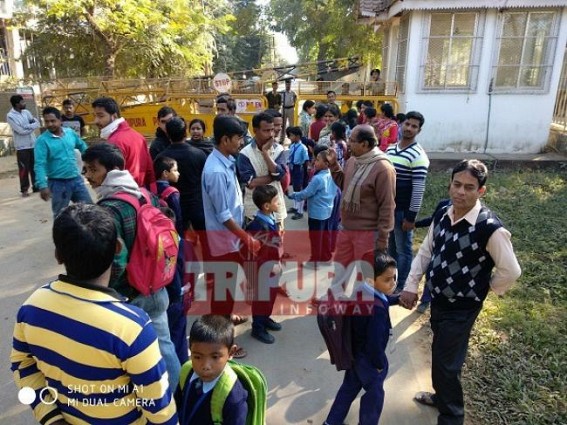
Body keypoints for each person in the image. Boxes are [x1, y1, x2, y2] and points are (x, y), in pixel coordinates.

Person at [11, 203, 178, 424]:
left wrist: (50, 417)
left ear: (58, 255)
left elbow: (22, 366)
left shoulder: (32, 308)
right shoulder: (133, 328)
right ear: (118, 248)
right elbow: (160, 410)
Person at [400, 159, 522, 425]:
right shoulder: (444, 210)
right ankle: (441, 397)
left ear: (481, 191)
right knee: (441, 353)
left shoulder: (490, 228)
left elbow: (511, 271)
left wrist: (486, 289)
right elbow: (426, 250)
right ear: (449, 184)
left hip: (463, 307)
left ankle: (451, 416)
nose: (461, 192)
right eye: (457, 184)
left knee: (447, 363)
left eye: (469, 187)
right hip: (440, 300)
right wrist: (411, 285)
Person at [82, 143, 181, 390]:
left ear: (111, 170)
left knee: (132, 355)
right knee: (164, 346)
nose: (88, 177)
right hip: (157, 287)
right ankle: (178, 395)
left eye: (93, 170)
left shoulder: (107, 209)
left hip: (130, 294)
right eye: (86, 170)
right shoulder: (144, 194)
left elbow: (114, 262)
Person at [202, 115, 261, 358]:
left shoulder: (225, 161)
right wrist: (247, 238)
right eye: (238, 138)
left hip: (231, 239)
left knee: (227, 293)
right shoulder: (216, 171)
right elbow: (224, 215)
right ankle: (219, 348)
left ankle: (226, 319)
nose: (241, 142)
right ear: (225, 139)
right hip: (224, 242)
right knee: (221, 297)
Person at [324, 251, 398, 425]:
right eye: (387, 279)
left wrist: (397, 299)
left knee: (347, 390)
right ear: (372, 280)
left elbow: (382, 297)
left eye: (394, 277)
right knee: (374, 398)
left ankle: (331, 422)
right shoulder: (377, 310)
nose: (393, 283)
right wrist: (379, 364)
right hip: (369, 362)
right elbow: (374, 343)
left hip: (354, 354)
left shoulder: (360, 291)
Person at [327, 125, 396, 296]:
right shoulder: (353, 161)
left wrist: (382, 240)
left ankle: (359, 310)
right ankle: (334, 301)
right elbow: (345, 184)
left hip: (367, 234)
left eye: (352, 141)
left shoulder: (383, 168)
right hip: (346, 229)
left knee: (363, 276)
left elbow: (387, 206)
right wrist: (334, 165)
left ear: (365, 144)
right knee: (340, 268)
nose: (348, 144)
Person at [175, 315, 248, 424]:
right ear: (190, 349)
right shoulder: (187, 371)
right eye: (197, 357)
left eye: (215, 357)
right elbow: (176, 403)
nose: (205, 366)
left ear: (231, 352)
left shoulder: (233, 398)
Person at [386, 111, 429, 292]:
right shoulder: (390, 149)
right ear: (402, 125)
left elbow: (418, 190)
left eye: (414, 126)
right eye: (407, 124)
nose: (409, 128)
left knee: (403, 250)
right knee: (391, 248)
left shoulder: (418, 155)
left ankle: (402, 286)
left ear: (419, 131)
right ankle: (390, 281)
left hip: (403, 212)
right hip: (389, 209)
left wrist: (411, 218)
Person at [159, 117, 208, 256]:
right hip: (198, 205)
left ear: (167, 134)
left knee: (181, 242)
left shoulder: (162, 158)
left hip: (174, 207)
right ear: (185, 132)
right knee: (205, 241)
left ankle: (186, 270)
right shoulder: (199, 154)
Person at [34, 107, 92, 217]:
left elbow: (82, 146)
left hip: (76, 180)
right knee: (61, 216)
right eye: (47, 121)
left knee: (90, 210)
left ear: (60, 120)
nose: (50, 124)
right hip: (57, 184)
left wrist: (90, 162)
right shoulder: (42, 141)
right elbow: (39, 165)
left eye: (53, 121)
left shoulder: (70, 133)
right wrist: (42, 185)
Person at [246, 185, 284, 344]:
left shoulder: (270, 218)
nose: (280, 202)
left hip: (272, 269)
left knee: (270, 297)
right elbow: (251, 255)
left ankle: (265, 318)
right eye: (276, 200)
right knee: (262, 299)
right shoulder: (256, 227)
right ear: (266, 206)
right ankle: (258, 328)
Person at [92, 97, 155, 189]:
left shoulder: (114, 142)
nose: (96, 121)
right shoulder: (138, 136)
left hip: (123, 193)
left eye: (101, 116)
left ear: (114, 116)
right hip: (142, 193)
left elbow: (111, 178)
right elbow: (150, 170)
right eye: (95, 116)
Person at [237, 112, 287, 226]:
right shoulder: (245, 154)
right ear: (255, 130)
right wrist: (271, 177)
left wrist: (265, 153)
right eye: (266, 130)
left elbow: (280, 175)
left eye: (272, 130)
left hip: (276, 208)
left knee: (277, 241)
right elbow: (250, 182)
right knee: (257, 242)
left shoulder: (279, 149)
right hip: (254, 210)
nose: (270, 134)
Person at [288, 149, 337, 262]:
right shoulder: (332, 174)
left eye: (318, 160)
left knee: (315, 238)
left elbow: (306, 193)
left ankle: (314, 260)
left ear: (326, 163)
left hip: (316, 213)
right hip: (327, 210)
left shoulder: (318, 179)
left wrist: (293, 195)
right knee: (325, 235)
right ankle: (326, 256)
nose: (315, 161)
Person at [414, 197, 452, 314]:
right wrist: (415, 224)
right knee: (432, 271)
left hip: (453, 251)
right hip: (437, 246)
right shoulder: (443, 205)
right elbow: (433, 220)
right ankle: (425, 300)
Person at [6, 94, 40, 197]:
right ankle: (24, 189)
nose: (24, 103)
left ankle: (36, 186)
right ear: (17, 104)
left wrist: (27, 126)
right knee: (24, 168)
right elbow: (20, 131)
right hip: (22, 146)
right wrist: (30, 127)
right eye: (22, 102)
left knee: (35, 166)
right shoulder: (10, 116)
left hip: (33, 144)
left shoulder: (26, 112)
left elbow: (37, 123)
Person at [286, 126, 309, 218]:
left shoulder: (303, 148)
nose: (290, 138)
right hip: (292, 168)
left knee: (299, 189)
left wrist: (305, 173)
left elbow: (306, 160)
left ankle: (300, 211)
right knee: (295, 188)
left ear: (298, 136)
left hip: (300, 168)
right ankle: (295, 207)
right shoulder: (292, 146)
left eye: (292, 136)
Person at [280, 78, 296, 143]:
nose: (288, 85)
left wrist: (293, 104)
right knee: (282, 125)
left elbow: (295, 99)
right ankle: (281, 139)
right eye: (287, 84)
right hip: (284, 109)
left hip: (291, 109)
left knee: (291, 125)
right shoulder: (282, 92)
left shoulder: (293, 93)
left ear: (290, 84)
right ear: (285, 84)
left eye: (289, 84)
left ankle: (292, 139)